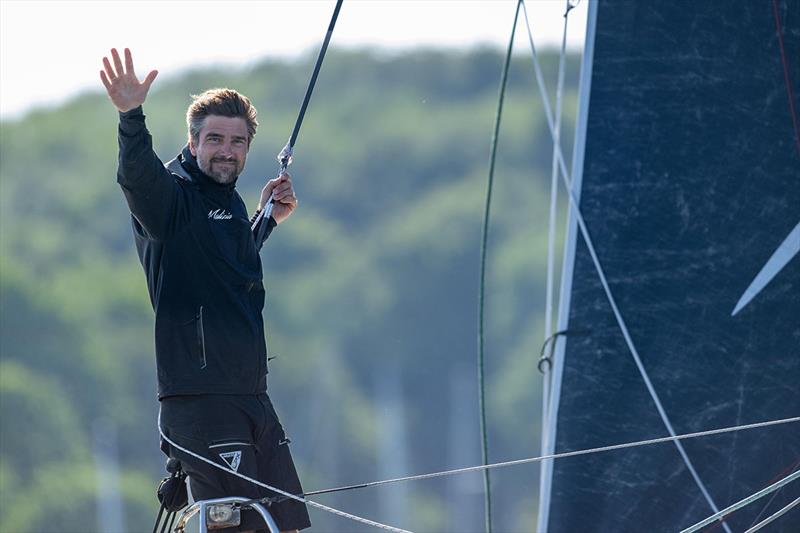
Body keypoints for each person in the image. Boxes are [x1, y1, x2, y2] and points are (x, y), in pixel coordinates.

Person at [100, 47, 310, 533]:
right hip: (201, 401)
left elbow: (220, 269)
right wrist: (131, 116)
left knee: (287, 526)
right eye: (214, 139)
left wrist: (264, 221)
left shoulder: (228, 203)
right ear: (192, 142)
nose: (226, 150)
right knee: (236, 529)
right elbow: (137, 177)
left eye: (237, 142)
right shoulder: (169, 199)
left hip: (250, 397)